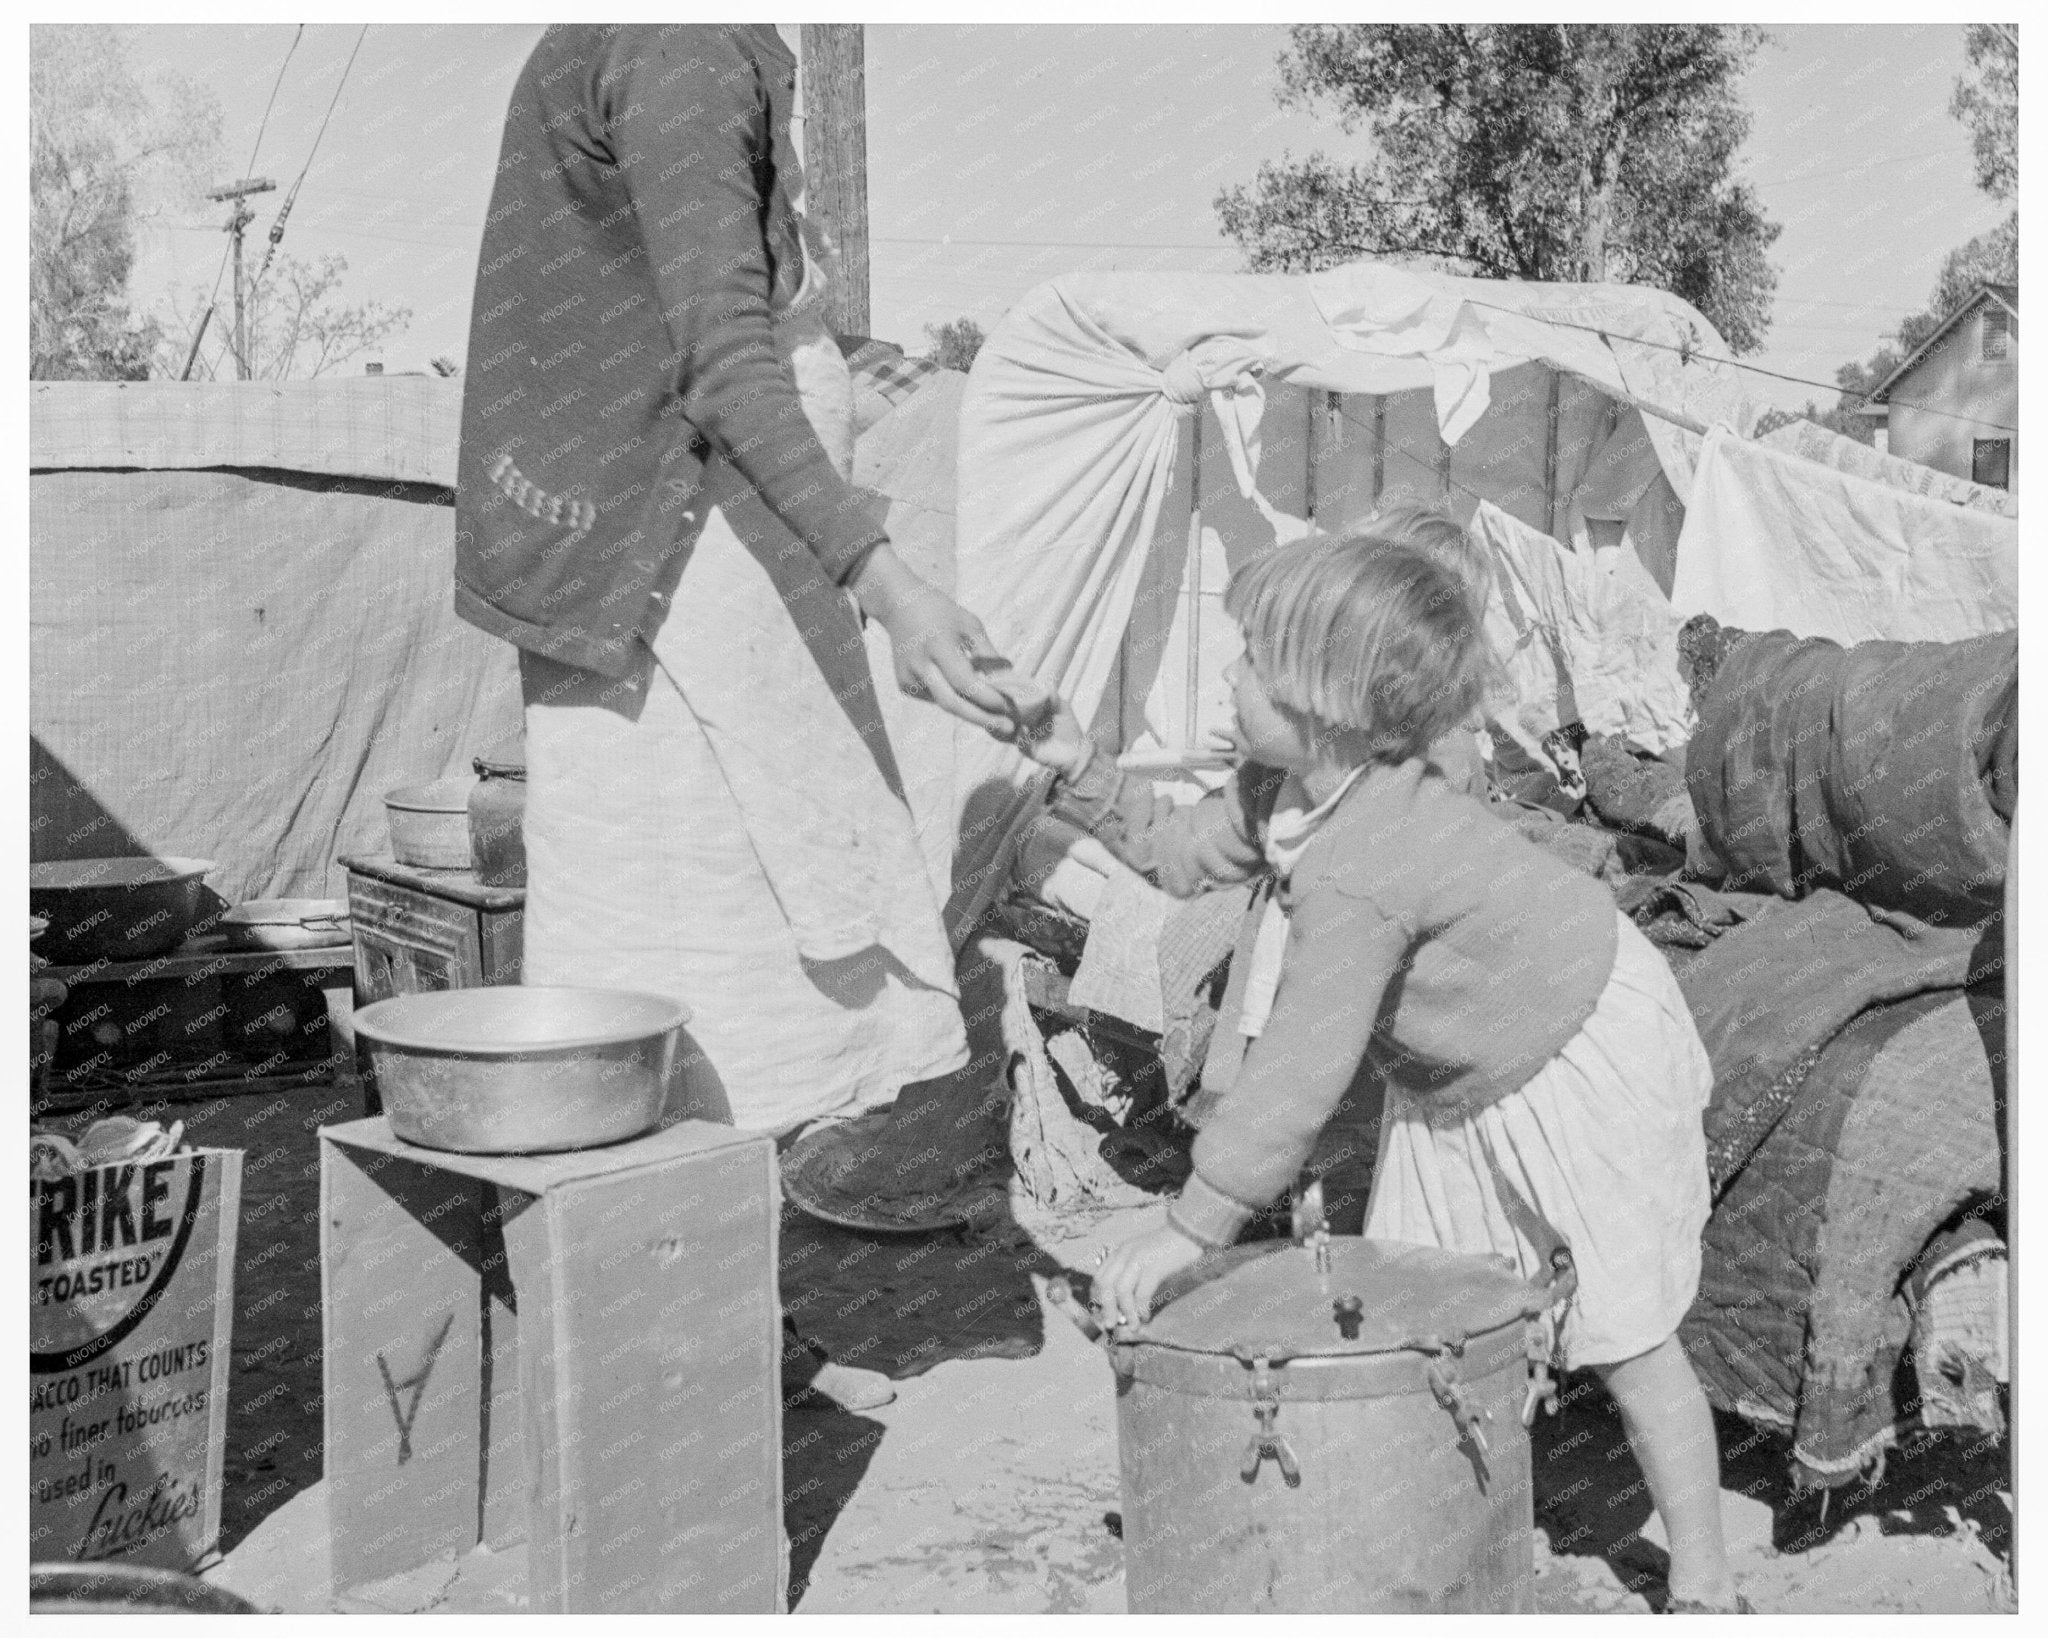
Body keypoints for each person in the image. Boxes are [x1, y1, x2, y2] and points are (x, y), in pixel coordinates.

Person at [1017, 528, 1744, 1613]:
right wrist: (1080, 766)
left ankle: (1703, 1579)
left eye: (1252, 661)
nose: (1227, 674)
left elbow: (1302, 1070)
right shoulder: (1284, 791)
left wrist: (1190, 1225)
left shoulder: (1364, 862)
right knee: (1429, 1306)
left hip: (1572, 1041)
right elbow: (1177, 855)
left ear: (1328, 703)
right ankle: (1441, 1528)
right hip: (1460, 1068)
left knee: (1625, 1333)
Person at [455, 24, 1019, 1411]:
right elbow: (720, 354)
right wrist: (885, 577)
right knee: (690, 969)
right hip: (678, 563)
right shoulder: (681, 50)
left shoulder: (688, 44)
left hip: (696, 545)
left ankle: (714, 1328)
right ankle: (654, 1365)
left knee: (750, 973)